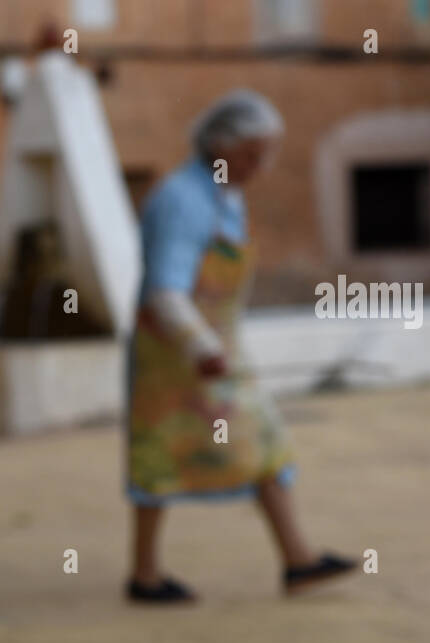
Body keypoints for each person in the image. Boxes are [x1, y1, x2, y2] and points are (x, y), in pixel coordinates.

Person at [126, 89, 354, 602]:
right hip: (177, 354)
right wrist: (202, 347)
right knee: (159, 457)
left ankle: (296, 561)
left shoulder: (225, 194)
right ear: (219, 145)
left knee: (264, 446)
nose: (262, 166)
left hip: (210, 350)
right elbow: (166, 290)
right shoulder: (183, 200)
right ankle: (146, 576)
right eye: (253, 153)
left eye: (266, 153)